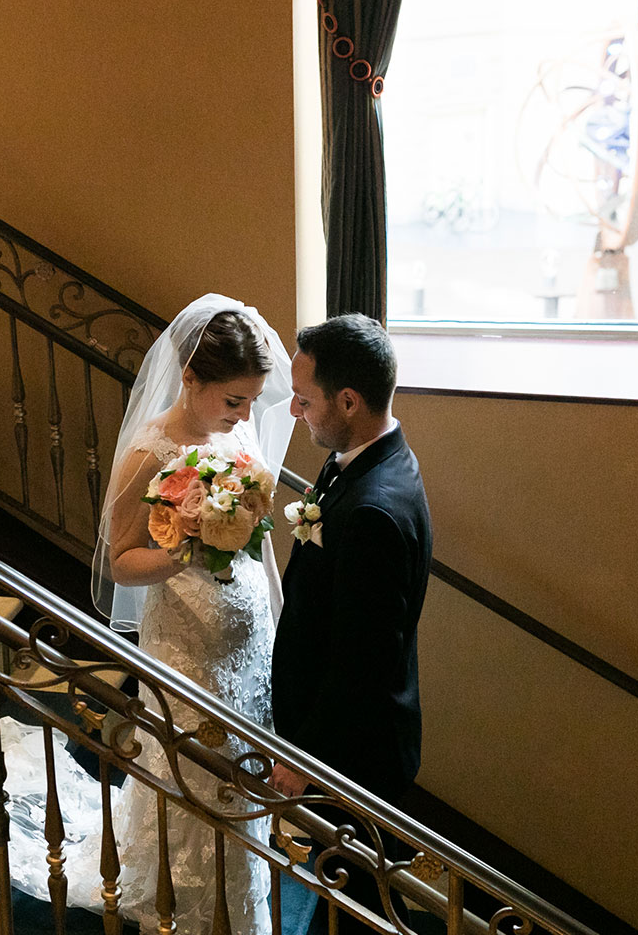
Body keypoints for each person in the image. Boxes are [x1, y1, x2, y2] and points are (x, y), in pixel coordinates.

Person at [0, 294, 295, 935]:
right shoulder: (149, 452)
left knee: (240, 777)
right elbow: (118, 559)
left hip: (246, 647)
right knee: (192, 774)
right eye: (235, 400)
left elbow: (261, 536)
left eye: (250, 401)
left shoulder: (235, 435)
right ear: (191, 379)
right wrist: (181, 554)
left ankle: (239, 899)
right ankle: (186, 904)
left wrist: (277, 614)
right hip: (185, 647)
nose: (245, 415)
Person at [269, 313, 431, 935]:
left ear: (348, 400)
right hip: (349, 743)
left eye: (303, 401)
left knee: (357, 908)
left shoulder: (375, 512)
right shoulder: (365, 458)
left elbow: (359, 664)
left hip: (355, 759)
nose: (294, 413)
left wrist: (305, 757)